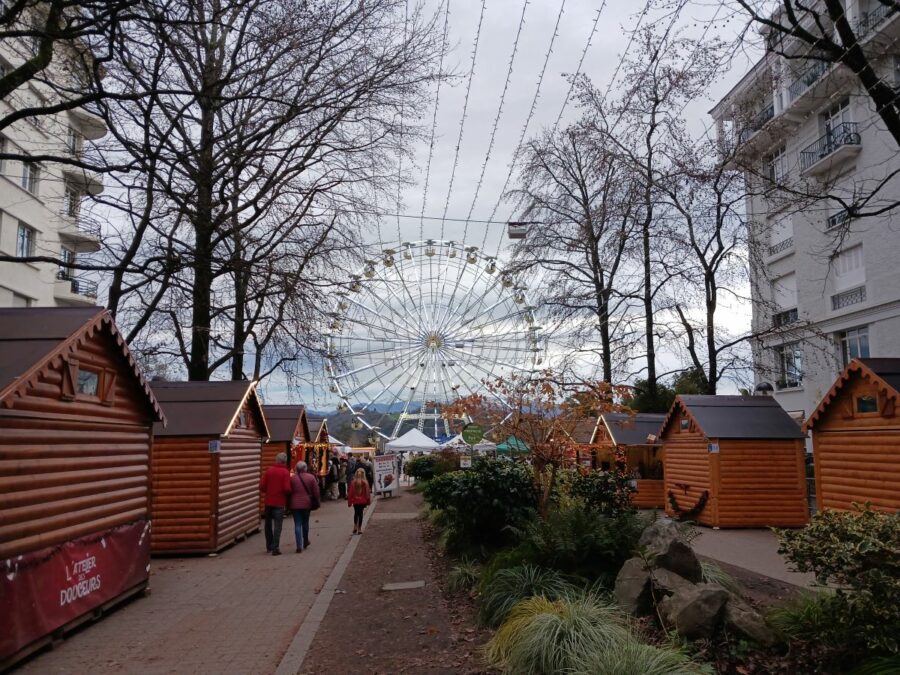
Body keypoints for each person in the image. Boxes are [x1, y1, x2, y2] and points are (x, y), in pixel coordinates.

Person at [259, 452, 291, 555]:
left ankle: (269, 545)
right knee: (278, 525)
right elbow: (286, 488)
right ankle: (275, 548)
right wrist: (288, 494)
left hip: (268, 501)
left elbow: (262, 486)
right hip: (279, 502)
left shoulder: (269, 471)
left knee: (268, 525)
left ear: (276, 460)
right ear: (284, 461)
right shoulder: (285, 472)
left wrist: (268, 491)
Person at [289, 461, 320, 552]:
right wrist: (317, 501)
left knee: (297, 524)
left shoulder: (293, 479)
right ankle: (305, 540)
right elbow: (316, 491)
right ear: (305, 468)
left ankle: (299, 545)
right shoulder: (311, 478)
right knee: (305, 522)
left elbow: (289, 491)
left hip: (295, 504)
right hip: (307, 504)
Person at [347, 467, 371, 534]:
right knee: (360, 514)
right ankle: (359, 528)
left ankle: (355, 526)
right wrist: (368, 501)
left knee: (356, 513)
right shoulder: (365, 483)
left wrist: (349, 502)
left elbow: (350, 493)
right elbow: (367, 494)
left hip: (355, 501)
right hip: (362, 501)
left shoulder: (353, 482)